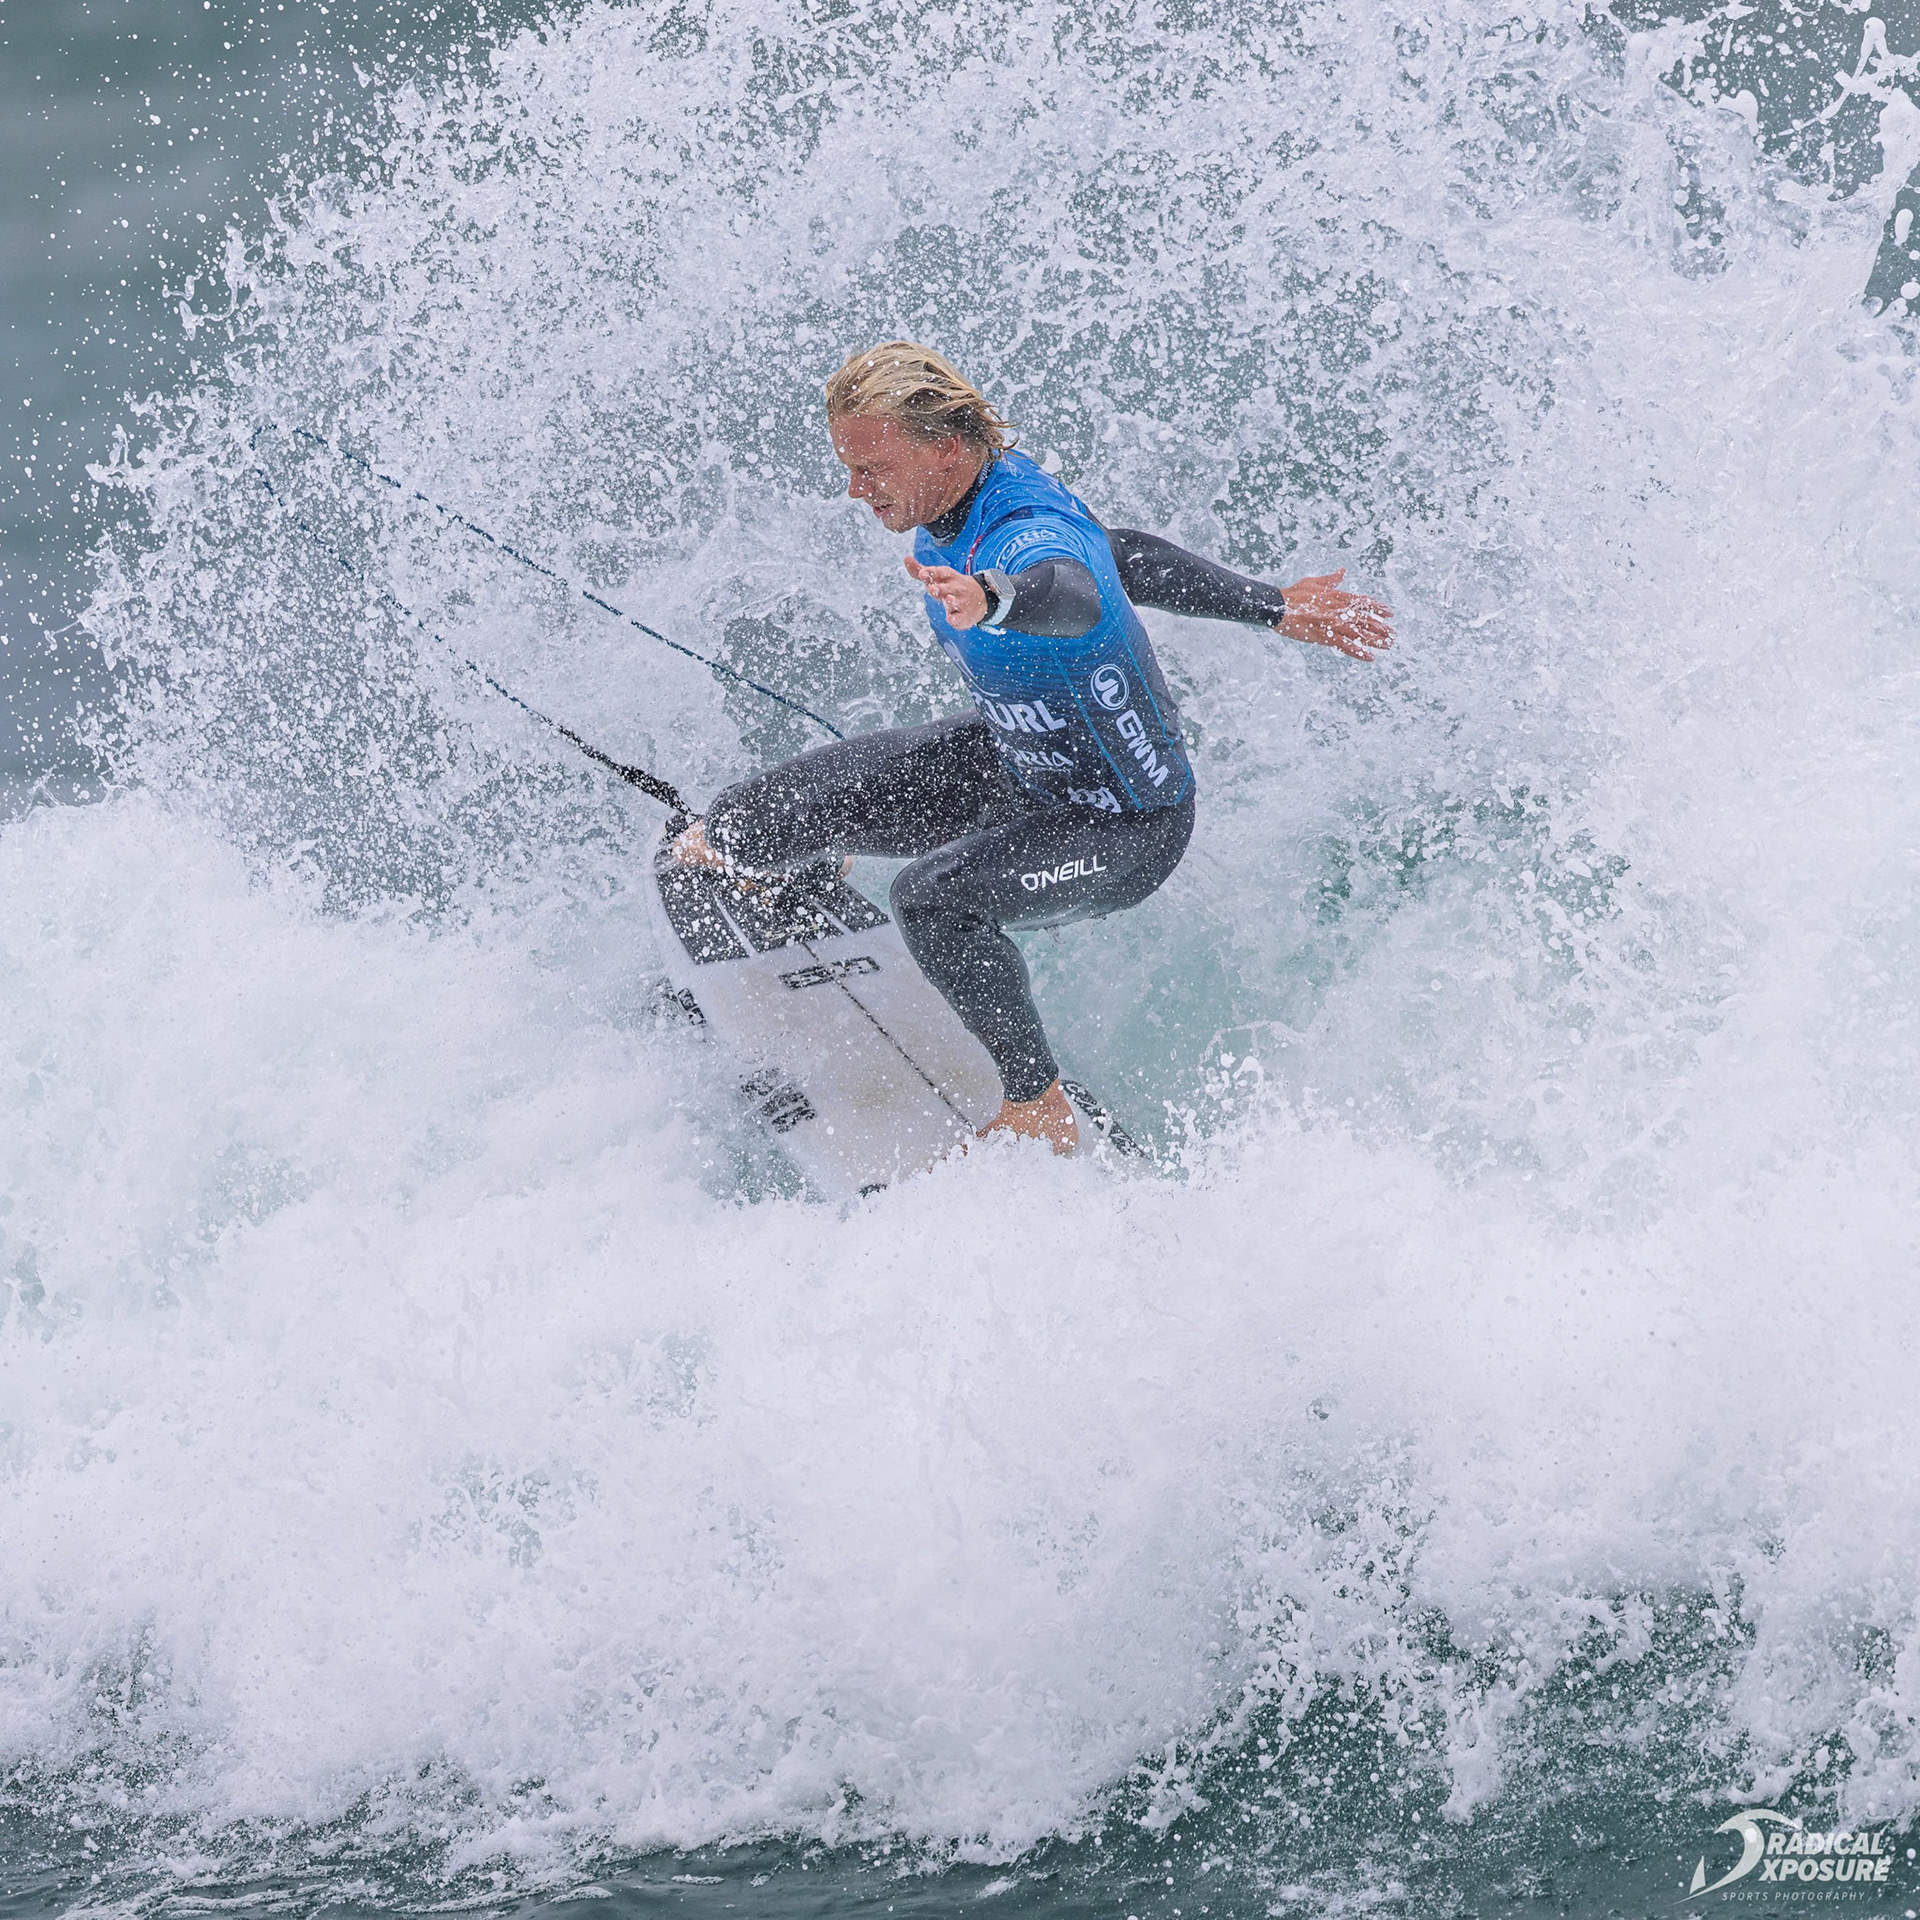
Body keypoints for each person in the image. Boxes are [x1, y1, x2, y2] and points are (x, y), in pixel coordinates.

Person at [672, 342, 1393, 1155]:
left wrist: (994, 598)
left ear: (947, 449)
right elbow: (1121, 556)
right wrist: (1272, 605)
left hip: (1122, 823)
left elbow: (1075, 594)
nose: (855, 490)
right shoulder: (971, 496)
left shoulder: (1023, 528)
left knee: (932, 901)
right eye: (850, 468)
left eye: (872, 469)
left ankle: (1036, 1102)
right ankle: (812, 859)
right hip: (1017, 762)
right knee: (742, 826)